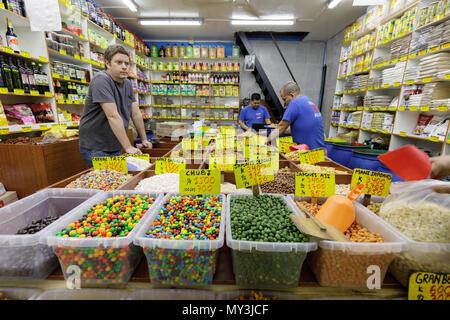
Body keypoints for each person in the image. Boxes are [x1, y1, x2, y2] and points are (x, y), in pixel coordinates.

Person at [78, 44, 152, 167]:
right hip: (96, 146)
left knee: (121, 180)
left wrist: (144, 139)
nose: (124, 67)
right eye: (119, 62)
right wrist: (128, 146)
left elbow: (136, 113)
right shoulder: (101, 80)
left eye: (127, 63)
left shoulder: (127, 84)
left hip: (114, 144)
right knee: (112, 182)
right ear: (107, 63)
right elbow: (112, 115)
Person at [268, 81, 326, 150]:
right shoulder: (308, 102)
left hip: (308, 151)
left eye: (284, 99)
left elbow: (282, 126)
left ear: (292, 95)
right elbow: (302, 127)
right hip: (320, 150)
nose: (284, 103)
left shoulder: (295, 103)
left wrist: (266, 140)